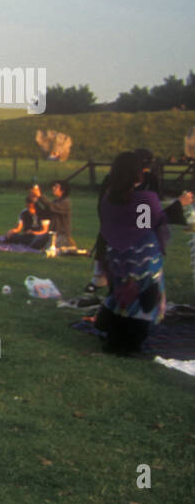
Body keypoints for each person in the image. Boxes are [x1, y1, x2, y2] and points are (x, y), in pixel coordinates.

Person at [96, 151, 170, 354]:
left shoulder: (109, 198)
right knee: (143, 300)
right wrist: (179, 204)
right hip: (142, 258)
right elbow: (144, 227)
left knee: (122, 296)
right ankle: (128, 343)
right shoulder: (144, 199)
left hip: (118, 256)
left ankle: (115, 336)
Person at [46, 180, 75, 254]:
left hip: (62, 235)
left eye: (56, 187)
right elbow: (45, 212)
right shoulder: (55, 201)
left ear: (62, 191)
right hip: (53, 234)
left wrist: (40, 196)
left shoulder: (66, 202)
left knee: (50, 249)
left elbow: (51, 207)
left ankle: (69, 245)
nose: (53, 188)